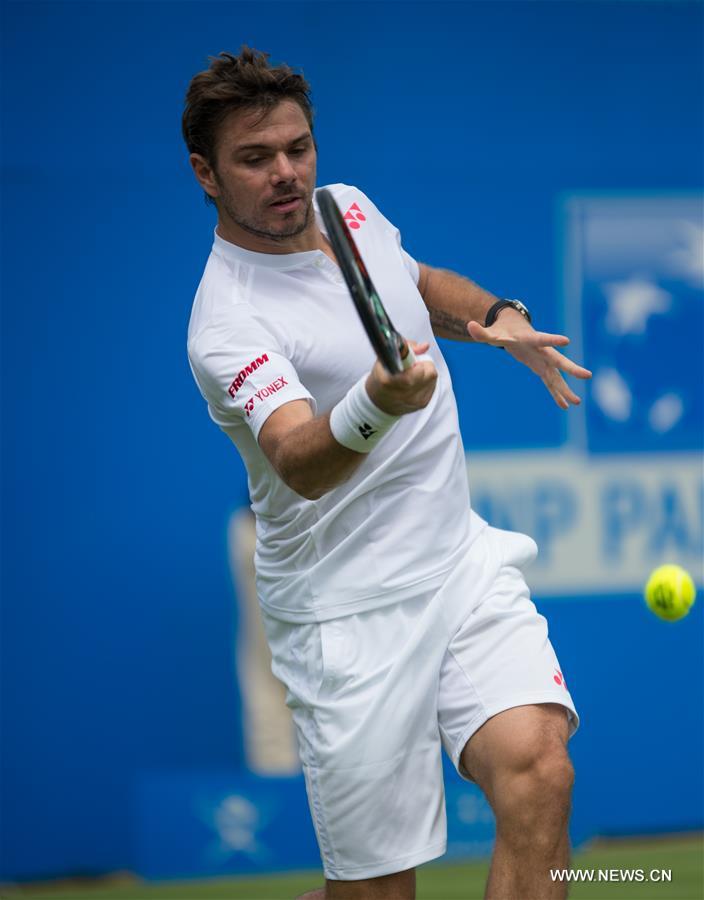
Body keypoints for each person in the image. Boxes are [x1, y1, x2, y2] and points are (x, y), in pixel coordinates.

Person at [183, 46, 591, 900]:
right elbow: (299, 460)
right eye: (255, 159)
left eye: (298, 147)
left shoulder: (347, 210)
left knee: (539, 769)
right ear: (207, 175)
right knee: (376, 893)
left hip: (456, 566)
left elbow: (418, 284)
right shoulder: (227, 320)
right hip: (345, 618)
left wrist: (492, 316)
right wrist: (377, 401)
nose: (286, 173)